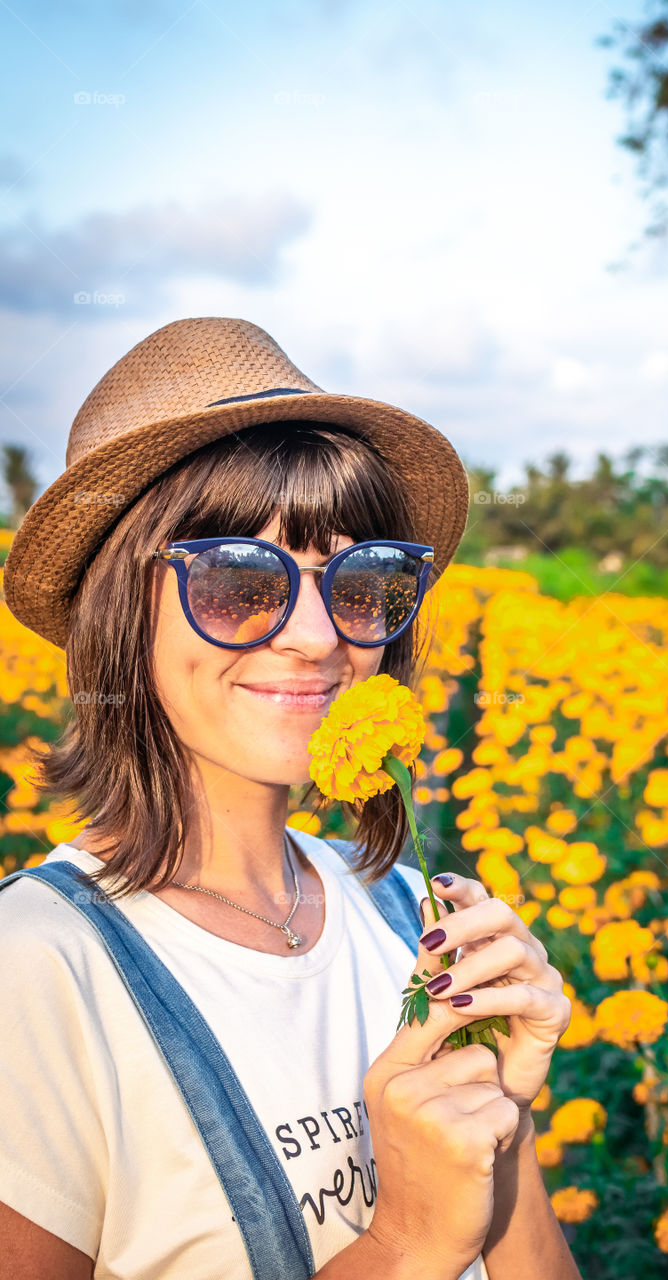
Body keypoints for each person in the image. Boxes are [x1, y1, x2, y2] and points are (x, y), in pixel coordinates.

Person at [0, 316, 582, 1280]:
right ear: (118, 613)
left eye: (362, 581)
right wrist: (406, 1242)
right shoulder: (36, 966)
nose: (317, 636)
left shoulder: (407, 912)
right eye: (237, 579)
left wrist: (502, 1124)